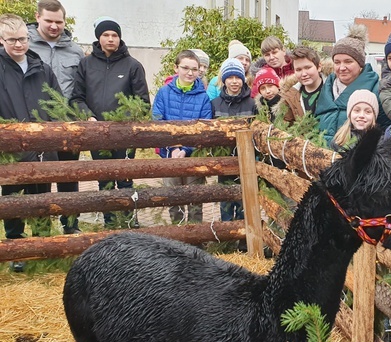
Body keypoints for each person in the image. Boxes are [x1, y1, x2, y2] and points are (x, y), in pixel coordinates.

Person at [70, 16, 149, 229]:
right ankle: (110, 222)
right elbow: (77, 97)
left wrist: (124, 120)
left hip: (125, 135)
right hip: (97, 134)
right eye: (106, 35)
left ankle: (130, 220)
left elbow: (142, 102)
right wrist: (89, 117)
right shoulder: (86, 65)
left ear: (120, 38)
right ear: (99, 37)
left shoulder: (133, 65)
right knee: (104, 179)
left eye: (115, 35)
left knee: (125, 179)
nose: (111, 39)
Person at [0, 13, 61, 272]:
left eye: (23, 39)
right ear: (2, 39)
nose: (18, 44)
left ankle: (43, 243)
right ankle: (16, 248)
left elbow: (57, 103)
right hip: (11, 150)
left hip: (43, 147)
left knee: (42, 197)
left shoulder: (42, 69)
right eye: (12, 39)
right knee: (14, 200)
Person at [27, 0, 84, 235]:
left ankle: (70, 226)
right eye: (49, 21)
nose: (54, 26)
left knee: (69, 177)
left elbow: (82, 88)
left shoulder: (76, 50)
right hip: (35, 125)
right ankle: (41, 230)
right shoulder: (25, 46)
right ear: (37, 17)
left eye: (58, 22)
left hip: (67, 126)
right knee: (38, 179)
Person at [153, 50, 213, 225]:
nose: (190, 73)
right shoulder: (164, 93)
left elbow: (203, 128)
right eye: (185, 68)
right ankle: (178, 235)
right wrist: (172, 147)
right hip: (168, 155)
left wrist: (186, 150)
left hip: (193, 156)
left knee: (195, 199)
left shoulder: (203, 97)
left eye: (194, 69)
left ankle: (196, 240)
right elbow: (158, 122)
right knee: (173, 199)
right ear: (176, 68)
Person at [315, 24, 388, 146]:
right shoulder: (327, 86)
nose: (342, 67)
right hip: (322, 158)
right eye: (337, 62)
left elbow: (386, 131)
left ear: (360, 64)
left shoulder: (376, 90)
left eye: (348, 61)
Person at [212, 58, 256, 237]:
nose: (234, 82)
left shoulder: (252, 103)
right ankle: (227, 236)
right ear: (224, 80)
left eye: (237, 77)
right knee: (226, 201)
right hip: (224, 163)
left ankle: (245, 239)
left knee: (245, 201)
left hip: (246, 160)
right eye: (229, 77)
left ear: (243, 79)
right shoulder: (215, 104)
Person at [278, 46, 324, 124]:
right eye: (298, 70)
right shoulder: (290, 96)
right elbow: (287, 125)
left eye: (308, 68)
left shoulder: (333, 89)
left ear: (319, 67)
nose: (304, 74)